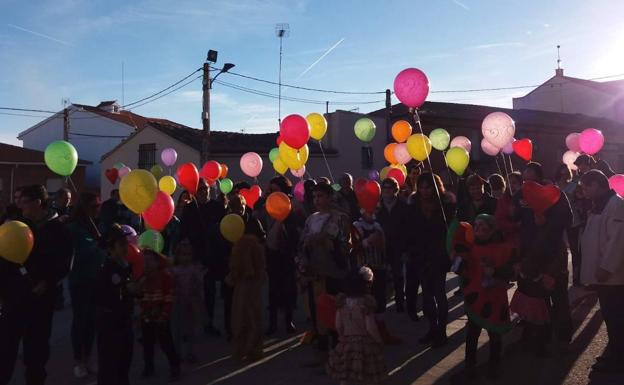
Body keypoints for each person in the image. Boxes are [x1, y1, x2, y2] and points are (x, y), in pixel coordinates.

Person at [0, 184, 73, 385]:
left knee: (36, 356)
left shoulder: (59, 231)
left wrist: (47, 282)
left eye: (24, 202)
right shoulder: (18, 226)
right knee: (4, 352)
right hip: (13, 300)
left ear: (37, 203)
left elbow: (64, 264)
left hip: (39, 303)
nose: (20, 206)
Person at [512, 162, 573, 350]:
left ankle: (563, 337)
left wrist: (546, 221)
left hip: (553, 252)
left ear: (539, 175)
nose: (527, 177)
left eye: (531, 173)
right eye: (525, 173)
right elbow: (514, 218)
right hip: (529, 253)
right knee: (534, 295)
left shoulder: (554, 192)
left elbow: (567, 219)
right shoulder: (519, 194)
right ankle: (537, 334)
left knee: (558, 294)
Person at [455, 214, 514, 381]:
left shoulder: (503, 248)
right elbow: (463, 271)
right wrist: (458, 262)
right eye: (477, 226)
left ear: (492, 230)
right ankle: (470, 366)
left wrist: (495, 272)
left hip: (495, 298)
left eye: (484, 227)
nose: (479, 230)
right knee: (472, 333)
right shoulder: (469, 248)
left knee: (495, 335)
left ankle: (495, 366)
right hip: (476, 298)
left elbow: (510, 273)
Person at [298, 182, 351, 365]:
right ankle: (321, 350)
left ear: (329, 197)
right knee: (317, 312)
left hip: (333, 272)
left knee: (334, 311)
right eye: (314, 197)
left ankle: (339, 351)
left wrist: (324, 240)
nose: (317, 200)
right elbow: (303, 243)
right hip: (315, 273)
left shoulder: (339, 218)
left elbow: (344, 245)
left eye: (320, 196)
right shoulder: (311, 219)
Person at [579, 170, 624, 374]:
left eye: (587, 186)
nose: (584, 190)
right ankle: (614, 354)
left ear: (598, 184)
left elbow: (617, 240)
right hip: (604, 277)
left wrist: (606, 267)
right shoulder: (601, 204)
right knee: (611, 318)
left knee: (615, 319)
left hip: (613, 277)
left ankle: (617, 359)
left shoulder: (616, 205)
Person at [409, 172, 455, 347]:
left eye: (428, 187)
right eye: (421, 187)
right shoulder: (414, 204)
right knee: (427, 296)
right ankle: (432, 327)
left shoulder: (445, 205)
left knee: (439, 293)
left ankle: (441, 331)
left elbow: (450, 231)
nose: (424, 190)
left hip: (439, 256)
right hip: (421, 255)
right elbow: (411, 230)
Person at [180, 178, 227, 336]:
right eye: (200, 189)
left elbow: (224, 229)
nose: (203, 191)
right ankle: (188, 328)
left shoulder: (217, 207)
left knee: (210, 293)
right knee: (190, 295)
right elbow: (183, 232)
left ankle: (209, 324)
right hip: (194, 256)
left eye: (205, 188)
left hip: (212, 257)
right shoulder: (189, 208)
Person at [67, 192, 106, 378]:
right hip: (80, 281)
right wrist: (100, 247)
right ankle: (78, 361)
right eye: (95, 206)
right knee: (80, 322)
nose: (98, 209)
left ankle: (89, 357)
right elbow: (86, 253)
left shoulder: (97, 224)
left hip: (96, 279)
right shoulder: (75, 228)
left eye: (99, 205)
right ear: (85, 208)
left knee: (92, 321)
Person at [326, 267, 386, 385]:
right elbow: (370, 327)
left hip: (347, 342)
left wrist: (343, 337)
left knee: (347, 374)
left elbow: (338, 325)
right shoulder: (366, 304)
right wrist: (379, 340)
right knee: (366, 375)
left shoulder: (342, 303)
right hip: (365, 343)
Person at [95, 224, 136, 385]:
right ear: (111, 249)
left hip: (125, 320)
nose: (126, 248)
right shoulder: (106, 269)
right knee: (108, 365)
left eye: (126, 244)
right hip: (110, 323)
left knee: (124, 362)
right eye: (121, 245)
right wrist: (125, 289)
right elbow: (103, 296)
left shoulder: (126, 266)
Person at [352, 210, 400, 344]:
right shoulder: (356, 226)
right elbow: (352, 248)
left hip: (380, 268)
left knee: (380, 300)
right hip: (364, 271)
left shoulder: (378, 225)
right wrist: (366, 242)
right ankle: (367, 335)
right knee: (366, 302)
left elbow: (385, 246)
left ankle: (382, 332)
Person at [264, 176, 300, 335]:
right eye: (271, 190)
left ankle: (288, 321)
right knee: (273, 289)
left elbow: (297, 229)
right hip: (272, 253)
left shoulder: (291, 206)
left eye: (275, 190)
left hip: (287, 253)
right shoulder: (266, 204)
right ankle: (272, 323)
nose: (272, 193)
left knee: (288, 288)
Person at [138, 249, 181, 380]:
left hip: (160, 313)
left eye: (150, 260)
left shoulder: (165, 276)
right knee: (147, 343)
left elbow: (169, 298)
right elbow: (141, 297)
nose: (147, 264)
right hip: (147, 314)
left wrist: (164, 314)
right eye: (144, 261)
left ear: (158, 262)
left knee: (166, 343)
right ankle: (148, 367)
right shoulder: (142, 278)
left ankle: (175, 366)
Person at [225, 234, 267, 362]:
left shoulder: (241, 250)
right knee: (254, 320)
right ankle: (254, 349)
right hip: (254, 291)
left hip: (242, 292)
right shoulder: (257, 251)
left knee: (240, 320)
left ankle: (241, 349)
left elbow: (232, 276)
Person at [376, 178, 412, 317]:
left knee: (398, 275)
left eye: (389, 188)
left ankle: (399, 302)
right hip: (382, 247)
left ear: (395, 189)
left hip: (399, 246)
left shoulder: (403, 206)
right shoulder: (378, 206)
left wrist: (406, 248)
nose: (386, 191)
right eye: (384, 188)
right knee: (381, 276)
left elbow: (408, 229)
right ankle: (381, 303)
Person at [171, 237, 203, 363]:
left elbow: (198, 284)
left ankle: (190, 352)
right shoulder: (174, 271)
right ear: (177, 256)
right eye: (183, 255)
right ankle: (177, 352)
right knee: (177, 329)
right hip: (178, 303)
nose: (186, 257)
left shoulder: (194, 269)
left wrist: (195, 289)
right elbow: (172, 286)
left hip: (191, 302)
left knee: (191, 329)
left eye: (188, 254)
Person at [491, 173, 520, 245]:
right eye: (508, 183)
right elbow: (499, 221)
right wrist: (515, 225)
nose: (511, 186)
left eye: (514, 182)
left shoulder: (526, 198)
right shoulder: (502, 200)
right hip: (509, 240)